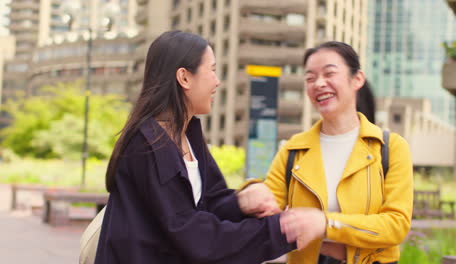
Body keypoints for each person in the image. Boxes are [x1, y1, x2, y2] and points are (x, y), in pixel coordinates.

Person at [94, 30, 316, 264]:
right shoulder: (148, 144)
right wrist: (282, 229)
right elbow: (193, 235)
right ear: (184, 78)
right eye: (211, 69)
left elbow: (209, 202)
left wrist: (241, 203)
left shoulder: (188, 137)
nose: (217, 81)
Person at [238, 41, 413, 264]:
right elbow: (269, 213)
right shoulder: (293, 149)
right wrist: (251, 194)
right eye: (310, 78)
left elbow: (396, 225)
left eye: (329, 73)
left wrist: (325, 224)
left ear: (357, 79)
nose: (319, 83)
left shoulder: (391, 147)